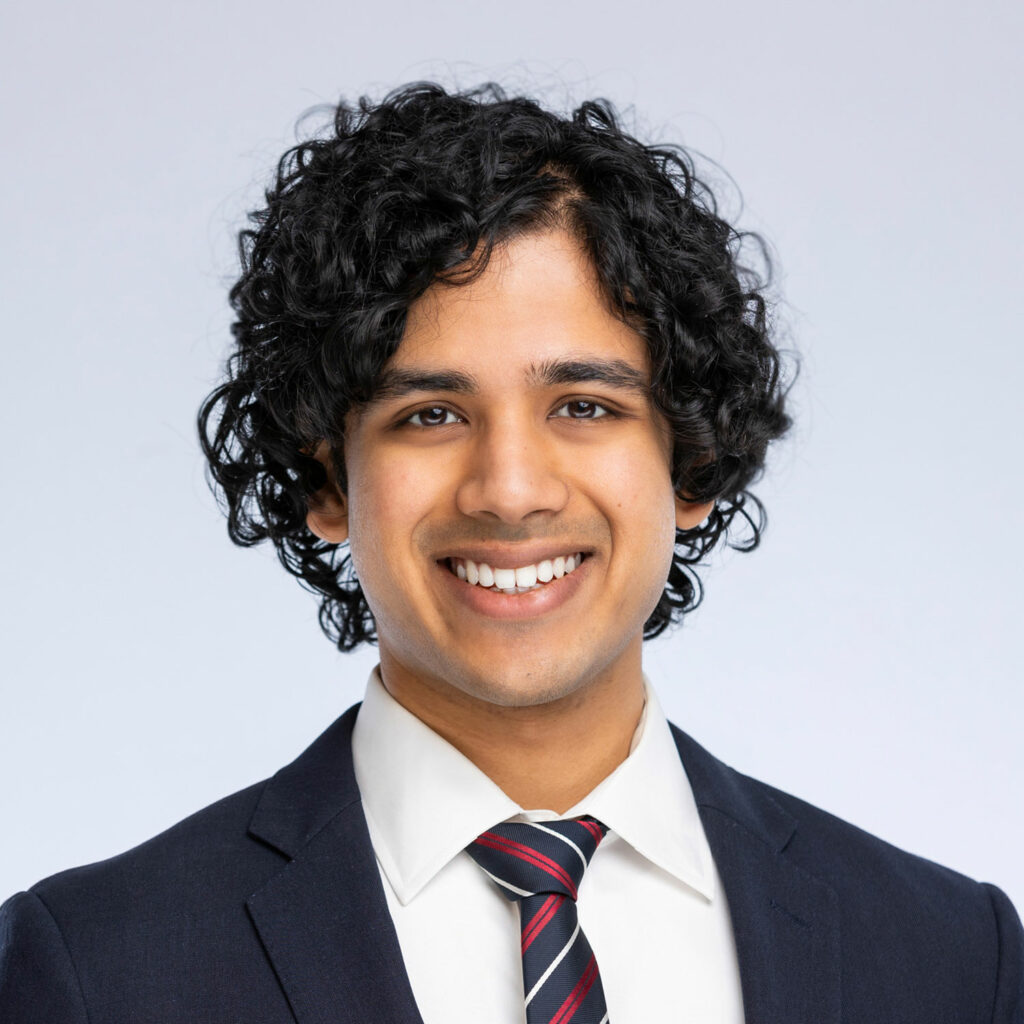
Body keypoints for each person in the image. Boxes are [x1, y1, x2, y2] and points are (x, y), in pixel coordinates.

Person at [1, 81, 1020, 1023]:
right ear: (326, 481)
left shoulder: (953, 960)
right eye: (431, 414)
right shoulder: (95, 970)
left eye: (583, 405)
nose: (511, 488)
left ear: (694, 460)